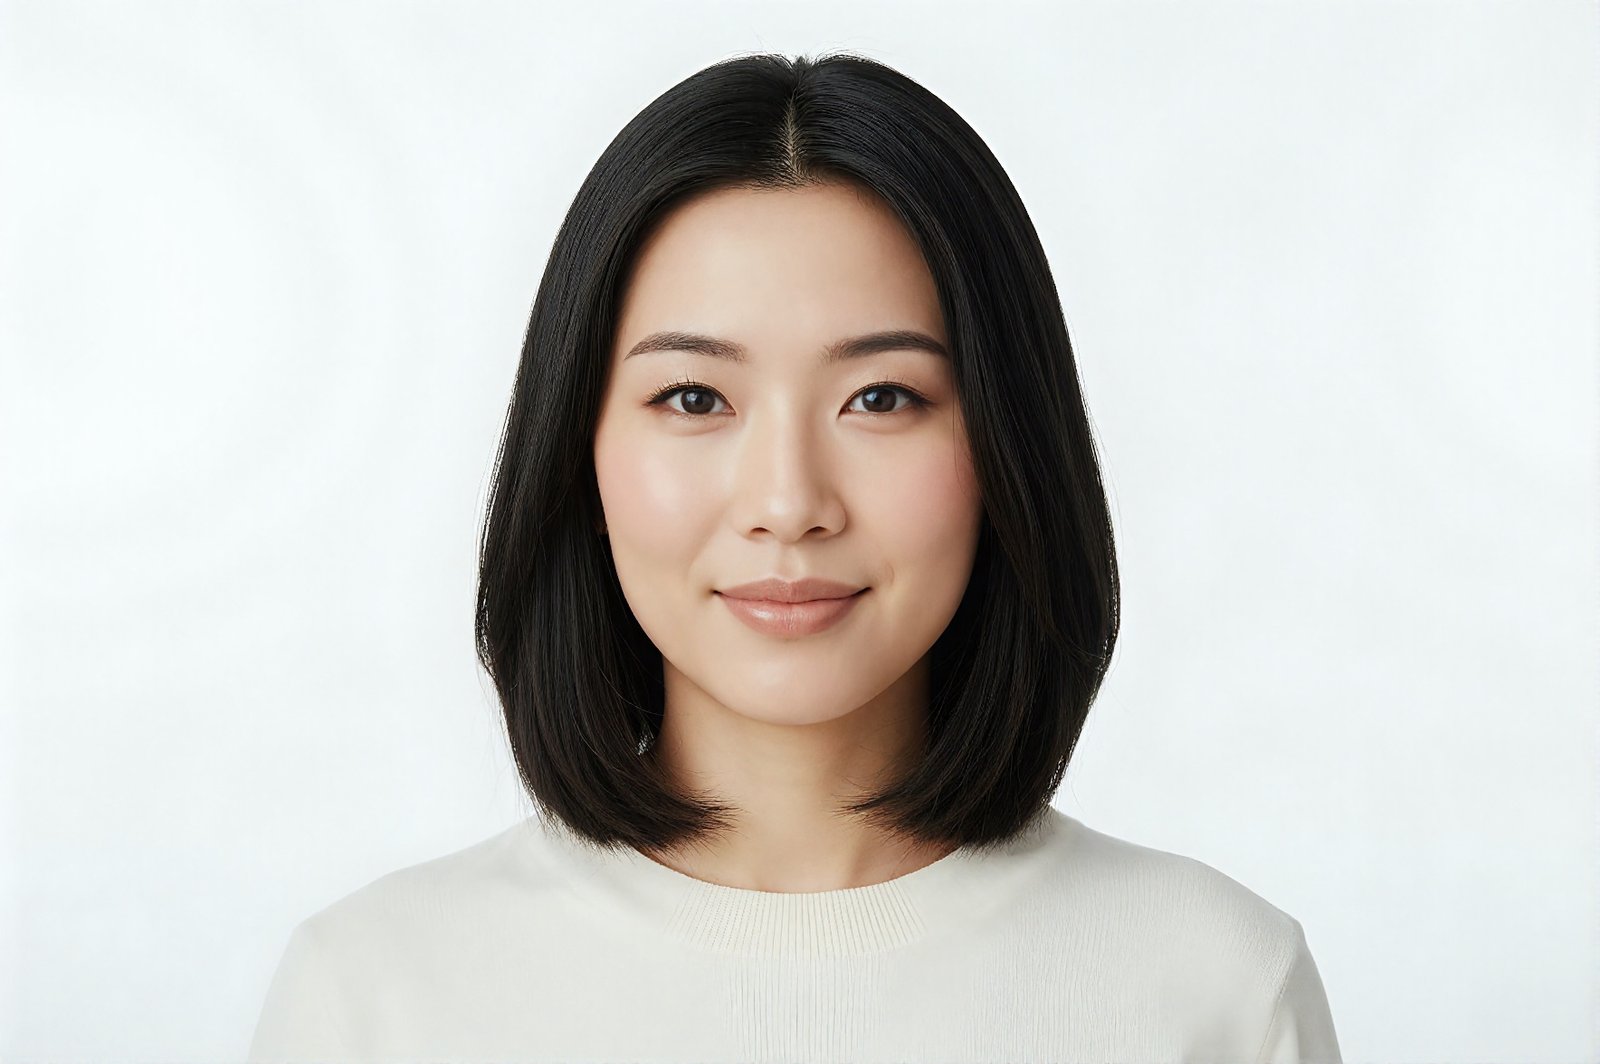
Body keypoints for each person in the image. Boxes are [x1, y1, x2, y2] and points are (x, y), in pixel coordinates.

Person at [248, 51, 1342, 1063]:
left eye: (881, 397)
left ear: (1009, 447)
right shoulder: (377, 997)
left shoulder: (1213, 987)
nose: (787, 502)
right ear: (577, 452)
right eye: (693, 397)